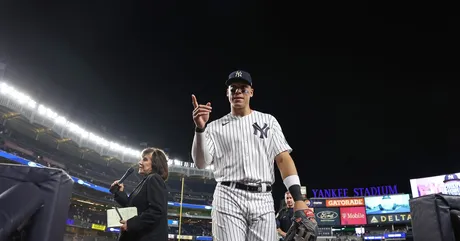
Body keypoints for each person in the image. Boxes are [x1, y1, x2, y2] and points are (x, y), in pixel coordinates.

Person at [191, 70, 316, 241]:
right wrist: (200, 129)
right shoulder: (214, 127)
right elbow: (201, 163)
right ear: (227, 93)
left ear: (251, 92)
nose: (237, 92)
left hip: (263, 198)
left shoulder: (268, 121)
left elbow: (283, 159)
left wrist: (298, 198)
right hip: (228, 196)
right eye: (233, 88)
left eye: (243, 88)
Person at [110, 147, 169, 241]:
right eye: (141, 159)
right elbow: (132, 208)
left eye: (145, 159)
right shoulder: (146, 181)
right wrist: (119, 192)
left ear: (155, 164)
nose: (140, 162)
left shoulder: (154, 178)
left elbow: (156, 210)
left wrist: (130, 224)